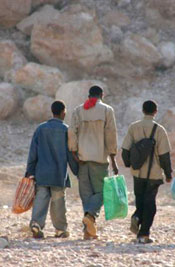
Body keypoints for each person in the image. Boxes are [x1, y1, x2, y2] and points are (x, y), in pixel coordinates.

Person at [68, 85, 118, 240]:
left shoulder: (78, 110)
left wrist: (74, 152)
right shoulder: (107, 110)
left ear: (89, 95)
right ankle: (90, 218)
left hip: (82, 160)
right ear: (101, 95)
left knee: (87, 196)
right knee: (102, 193)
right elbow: (111, 135)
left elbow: (71, 132)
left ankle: (88, 232)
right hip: (99, 160)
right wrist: (113, 159)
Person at [121, 100, 172, 244]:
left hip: (137, 173)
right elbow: (164, 156)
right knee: (150, 204)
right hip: (154, 174)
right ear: (155, 111)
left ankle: (137, 216)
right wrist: (168, 174)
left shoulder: (133, 127)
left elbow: (125, 150)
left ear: (143, 111)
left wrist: (130, 164)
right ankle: (143, 234)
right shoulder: (160, 130)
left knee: (140, 200)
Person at [26, 100, 78, 239]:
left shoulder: (40, 129)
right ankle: (60, 230)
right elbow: (70, 154)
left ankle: (36, 224)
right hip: (58, 174)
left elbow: (33, 153)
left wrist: (30, 172)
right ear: (63, 112)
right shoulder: (66, 130)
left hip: (41, 173)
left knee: (41, 199)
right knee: (58, 203)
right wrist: (77, 171)